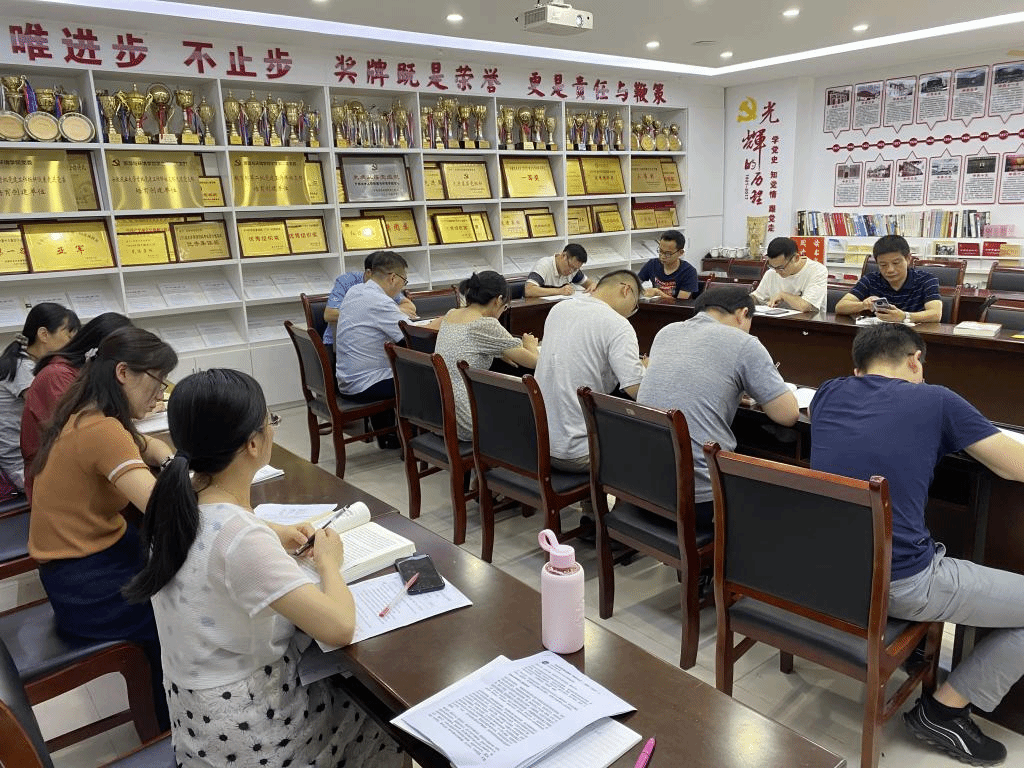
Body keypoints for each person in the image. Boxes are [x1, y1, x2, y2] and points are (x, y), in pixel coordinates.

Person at [123, 369, 404, 768]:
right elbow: (340, 627)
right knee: (382, 718)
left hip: (198, 722)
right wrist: (329, 563)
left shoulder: (173, 504)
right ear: (253, 443)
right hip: (253, 731)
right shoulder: (241, 538)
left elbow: (215, 537)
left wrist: (273, 531)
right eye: (270, 421)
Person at [809, 323, 1024, 766]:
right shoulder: (936, 399)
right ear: (915, 360)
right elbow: (1013, 466)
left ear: (857, 367)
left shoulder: (827, 392)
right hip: (900, 582)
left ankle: (921, 658)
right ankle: (944, 711)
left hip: (830, 572)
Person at [29, 326, 178, 730]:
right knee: (175, 608)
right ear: (123, 373)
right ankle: (166, 726)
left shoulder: (88, 413)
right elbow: (166, 510)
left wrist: (166, 461)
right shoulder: (103, 430)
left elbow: (150, 448)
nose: (159, 393)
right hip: (85, 585)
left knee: (174, 572)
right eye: (157, 381)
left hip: (79, 565)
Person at [637, 286, 799, 529]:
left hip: (640, 488)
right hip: (698, 501)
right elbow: (788, 415)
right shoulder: (744, 343)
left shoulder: (666, 332)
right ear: (743, 314)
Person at [534, 270, 647, 472]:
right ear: (626, 290)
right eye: (635, 305)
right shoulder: (619, 325)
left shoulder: (559, 308)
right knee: (648, 442)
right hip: (579, 452)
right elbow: (636, 390)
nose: (633, 312)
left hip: (539, 445)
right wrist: (646, 371)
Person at [435, 271, 539, 441]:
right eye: (505, 307)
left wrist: (500, 351)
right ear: (498, 300)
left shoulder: (451, 314)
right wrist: (530, 345)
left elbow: (471, 345)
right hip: (467, 418)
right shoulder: (485, 324)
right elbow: (534, 362)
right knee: (530, 406)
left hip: (442, 412)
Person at [0, 303, 79, 493]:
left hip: (32, 456)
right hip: (21, 468)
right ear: (43, 334)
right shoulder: (23, 368)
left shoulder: (28, 361)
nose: (72, 343)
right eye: (68, 336)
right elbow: (59, 413)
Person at [335, 250, 409, 449]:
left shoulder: (355, 291)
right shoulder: (379, 301)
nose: (402, 287)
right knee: (427, 379)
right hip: (366, 384)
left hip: (347, 380)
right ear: (393, 278)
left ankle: (389, 437)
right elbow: (408, 336)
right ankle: (416, 441)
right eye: (404, 281)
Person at [834, 234, 942, 323]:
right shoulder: (871, 280)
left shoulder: (927, 280)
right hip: (879, 336)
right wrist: (863, 305)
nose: (890, 270)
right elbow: (840, 307)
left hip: (914, 336)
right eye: (883, 265)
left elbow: (936, 314)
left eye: (896, 263)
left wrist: (904, 316)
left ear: (908, 259)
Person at [322, 252, 416, 346]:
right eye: (404, 281)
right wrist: (387, 311)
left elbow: (409, 306)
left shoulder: (359, 290)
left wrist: (392, 310)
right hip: (335, 342)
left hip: (356, 345)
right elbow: (329, 314)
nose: (403, 286)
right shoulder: (350, 283)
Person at [750, 236, 829, 312]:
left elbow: (805, 306)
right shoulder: (771, 272)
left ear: (796, 258)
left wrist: (783, 295)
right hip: (776, 319)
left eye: (781, 267)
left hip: (808, 320)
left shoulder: (817, 271)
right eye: (772, 266)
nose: (777, 271)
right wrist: (746, 300)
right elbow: (757, 298)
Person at [638, 229, 699, 299]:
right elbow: (635, 283)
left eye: (668, 254)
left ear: (680, 253)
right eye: (660, 251)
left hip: (675, 306)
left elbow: (681, 303)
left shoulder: (689, 272)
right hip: (655, 305)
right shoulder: (652, 264)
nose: (662, 256)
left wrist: (658, 293)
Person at [524, 243, 594, 297]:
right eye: (570, 266)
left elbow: (588, 283)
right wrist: (559, 291)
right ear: (563, 256)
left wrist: (593, 285)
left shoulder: (574, 270)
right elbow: (529, 290)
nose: (571, 271)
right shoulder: (544, 265)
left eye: (575, 269)